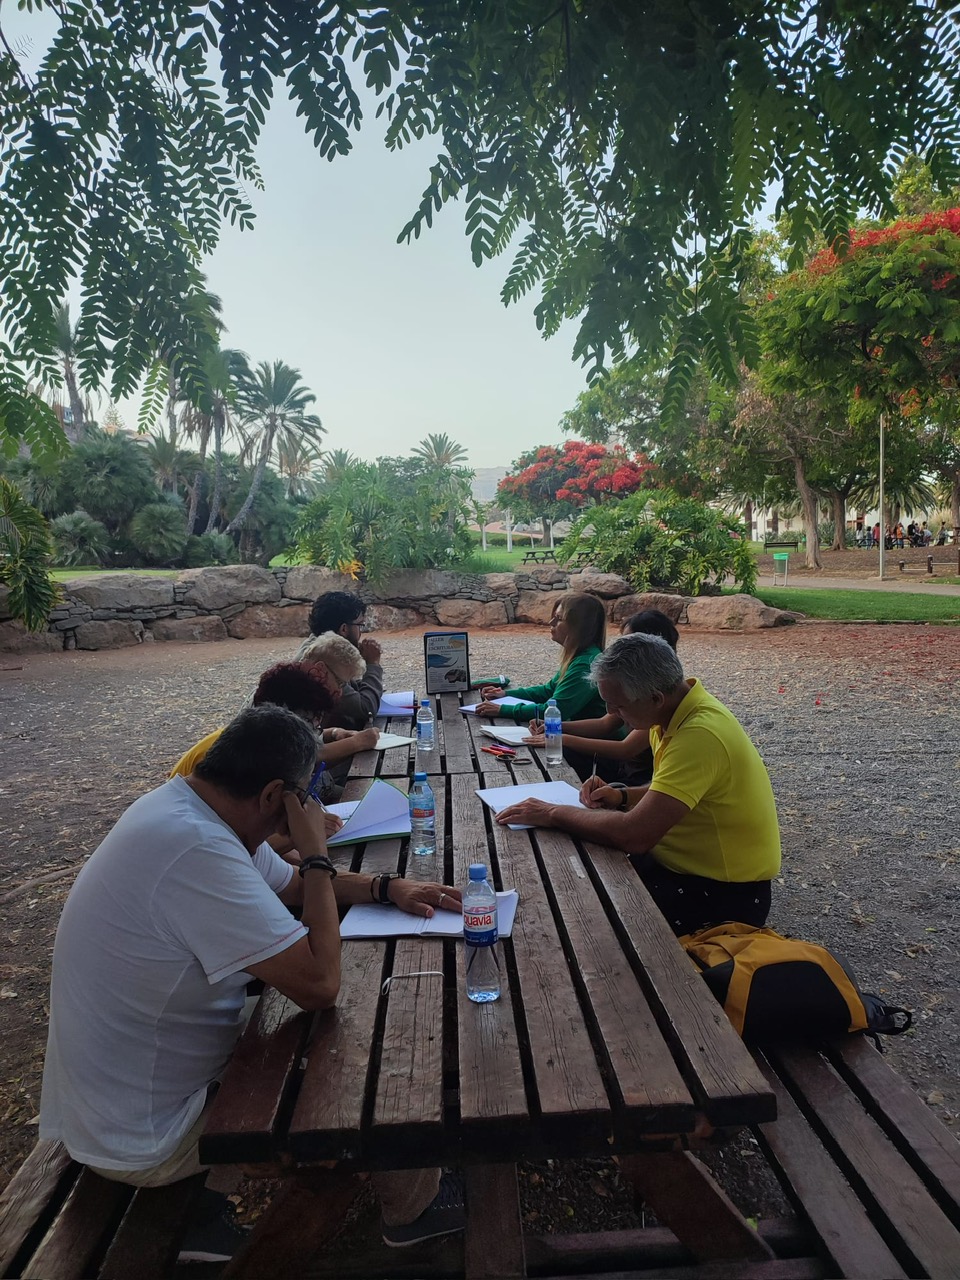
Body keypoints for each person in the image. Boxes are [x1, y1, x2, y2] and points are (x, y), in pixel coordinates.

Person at [39, 706, 465, 1258]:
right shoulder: (199, 851)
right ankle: (416, 1210)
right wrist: (316, 854)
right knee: (370, 1043)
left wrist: (386, 887)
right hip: (149, 1135)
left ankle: (209, 1215)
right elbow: (320, 983)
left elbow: (290, 886)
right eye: (303, 795)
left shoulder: (184, 810)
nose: (309, 806)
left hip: (115, 1100)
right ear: (272, 796)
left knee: (331, 1018)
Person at [494, 634, 781, 936]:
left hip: (721, 895)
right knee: (573, 878)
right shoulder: (672, 713)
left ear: (655, 698)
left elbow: (634, 835)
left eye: (618, 706)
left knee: (583, 917)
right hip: (683, 869)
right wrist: (622, 796)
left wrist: (552, 813)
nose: (612, 714)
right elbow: (676, 792)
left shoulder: (699, 734)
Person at [522, 609, 680, 784]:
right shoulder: (631, 685)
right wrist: (555, 727)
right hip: (624, 769)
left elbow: (626, 749)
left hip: (635, 777)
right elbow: (605, 723)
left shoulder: (652, 697)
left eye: (628, 642)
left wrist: (561, 738)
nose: (619, 649)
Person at [473, 592, 607, 724]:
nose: (551, 622)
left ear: (578, 626)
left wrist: (503, 709)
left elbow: (555, 711)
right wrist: (505, 694)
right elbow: (548, 691)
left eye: (559, 618)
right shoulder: (581, 656)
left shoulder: (585, 664)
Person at [293, 592, 383, 732]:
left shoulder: (316, 644)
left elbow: (353, 690)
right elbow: (366, 709)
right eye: (359, 625)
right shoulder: (323, 658)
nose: (360, 633)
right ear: (344, 629)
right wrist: (373, 664)